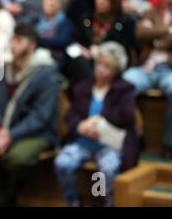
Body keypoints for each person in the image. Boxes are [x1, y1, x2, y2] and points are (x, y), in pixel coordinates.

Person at [0, 23, 59, 206]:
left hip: (36, 131)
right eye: (13, 39)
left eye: (19, 40)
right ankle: (6, 200)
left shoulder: (47, 73)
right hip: (4, 127)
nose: (13, 44)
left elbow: (41, 115)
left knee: (19, 157)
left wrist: (11, 135)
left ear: (32, 45)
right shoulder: (4, 68)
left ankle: (4, 199)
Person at [55, 41, 139, 207]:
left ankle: (106, 202)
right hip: (83, 142)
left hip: (109, 144)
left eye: (107, 66)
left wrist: (99, 120)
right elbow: (71, 116)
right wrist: (80, 125)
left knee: (107, 169)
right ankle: (73, 201)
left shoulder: (124, 89)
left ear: (116, 70)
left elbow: (127, 116)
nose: (101, 69)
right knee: (63, 163)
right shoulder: (83, 87)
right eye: (99, 63)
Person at [123, 0, 172, 159]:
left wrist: (154, 34)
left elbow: (149, 34)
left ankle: (170, 144)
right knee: (125, 84)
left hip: (171, 68)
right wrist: (168, 31)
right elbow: (140, 34)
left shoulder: (150, 17)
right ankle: (136, 135)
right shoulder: (151, 10)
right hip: (147, 65)